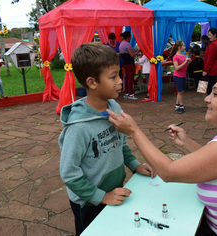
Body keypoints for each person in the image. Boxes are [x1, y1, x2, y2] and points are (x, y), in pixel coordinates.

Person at [106, 71, 217, 236]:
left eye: (215, 94)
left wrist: (134, 131)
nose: (207, 99)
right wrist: (187, 142)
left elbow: (168, 172)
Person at [58, 42, 155, 236]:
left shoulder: (114, 107)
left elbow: (121, 144)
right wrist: (101, 197)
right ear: (92, 82)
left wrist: (135, 165)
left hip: (115, 191)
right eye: (113, 77)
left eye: (119, 74)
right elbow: (69, 173)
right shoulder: (79, 127)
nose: (120, 81)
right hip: (88, 202)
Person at [169, 40, 192, 114]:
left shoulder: (184, 55)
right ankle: (181, 105)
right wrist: (185, 62)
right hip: (177, 76)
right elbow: (177, 68)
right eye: (183, 46)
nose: (185, 47)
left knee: (181, 91)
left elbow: (184, 67)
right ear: (179, 47)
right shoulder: (175, 57)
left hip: (183, 75)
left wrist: (188, 63)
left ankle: (177, 104)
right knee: (180, 92)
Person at [202, 28, 217, 95]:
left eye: (210, 35)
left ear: (214, 35)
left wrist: (205, 70)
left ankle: (212, 103)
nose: (208, 36)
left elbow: (210, 59)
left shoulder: (213, 45)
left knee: (211, 88)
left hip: (213, 70)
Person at [119, 31, 138, 100]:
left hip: (125, 63)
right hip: (130, 63)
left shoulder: (121, 44)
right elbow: (132, 55)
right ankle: (131, 93)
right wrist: (136, 53)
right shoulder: (128, 44)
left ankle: (126, 92)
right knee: (130, 78)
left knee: (127, 78)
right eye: (130, 36)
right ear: (128, 37)